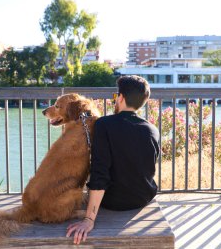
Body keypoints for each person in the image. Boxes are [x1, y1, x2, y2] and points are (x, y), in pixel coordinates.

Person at [66, 75, 160, 244]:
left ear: (121, 98)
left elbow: (99, 172)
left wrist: (89, 219)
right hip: (143, 197)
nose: (115, 100)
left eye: (116, 96)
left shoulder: (104, 124)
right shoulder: (152, 129)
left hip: (113, 201)